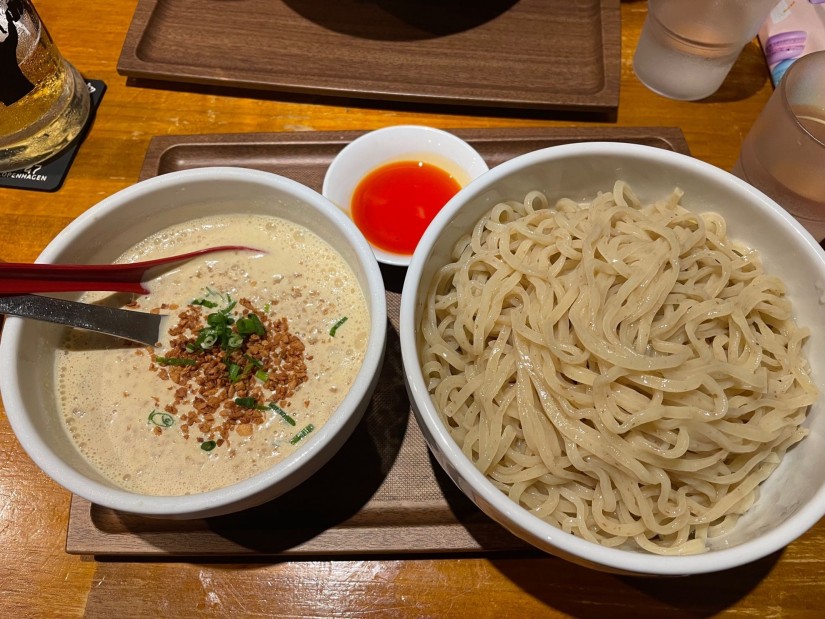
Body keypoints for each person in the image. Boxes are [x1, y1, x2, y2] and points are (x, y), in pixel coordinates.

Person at [1, 3, 36, 107]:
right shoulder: (5, 48)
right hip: (26, 90)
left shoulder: (5, 48)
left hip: (14, 100)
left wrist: (10, 21)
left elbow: (12, 36)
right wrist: (10, 21)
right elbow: (13, 36)